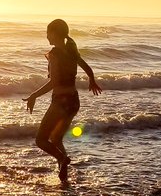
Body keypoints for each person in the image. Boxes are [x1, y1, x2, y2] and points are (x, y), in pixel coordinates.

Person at [24, 19, 102, 182]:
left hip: (60, 102)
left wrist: (33, 96)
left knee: (41, 140)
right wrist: (92, 80)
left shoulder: (55, 54)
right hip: (73, 102)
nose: (46, 37)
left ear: (55, 33)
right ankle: (63, 173)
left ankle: (61, 159)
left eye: (48, 33)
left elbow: (54, 82)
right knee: (57, 138)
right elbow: (88, 68)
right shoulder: (71, 51)